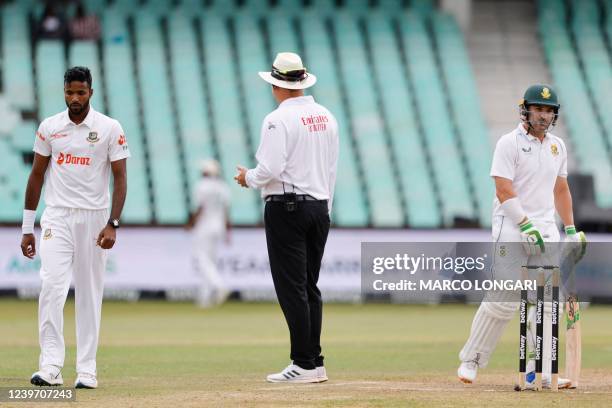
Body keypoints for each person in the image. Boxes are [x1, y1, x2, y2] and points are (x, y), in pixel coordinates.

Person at [456, 84, 586, 389]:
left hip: (545, 227)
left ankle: (538, 368)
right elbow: (503, 189)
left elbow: (561, 190)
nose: (542, 115)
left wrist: (569, 230)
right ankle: (471, 359)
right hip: (512, 225)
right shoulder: (508, 143)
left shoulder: (557, 146)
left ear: (554, 115)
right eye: (537, 109)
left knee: (546, 302)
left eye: (548, 110)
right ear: (525, 110)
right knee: (505, 298)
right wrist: (524, 225)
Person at [21, 66, 130, 389]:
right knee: (52, 287)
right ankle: (51, 366)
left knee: (88, 293)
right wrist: (28, 227)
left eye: (81, 92)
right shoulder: (50, 127)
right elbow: (36, 176)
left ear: (91, 93)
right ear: (64, 91)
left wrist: (113, 223)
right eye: (70, 92)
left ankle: (87, 369)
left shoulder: (109, 128)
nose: (75, 98)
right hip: (57, 216)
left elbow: (120, 177)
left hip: (95, 218)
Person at [234, 52, 338, 383]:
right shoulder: (326, 116)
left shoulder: (277, 119)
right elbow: (331, 168)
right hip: (319, 205)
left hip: (287, 206)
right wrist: (326, 207)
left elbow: (270, 169)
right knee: (309, 287)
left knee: (292, 288)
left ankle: (304, 363)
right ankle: (315, 361)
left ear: (277, 85)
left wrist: (247, 177)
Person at [187, 159, 231, 308]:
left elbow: (200, 207)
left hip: (204, 226)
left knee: (201, 259)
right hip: (219, 227)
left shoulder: (201, 186)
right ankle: (204, 298)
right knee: (210, 261)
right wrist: (227, 232)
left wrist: (191, 223)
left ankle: (219, 286)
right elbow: (226, 211)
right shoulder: (223, 187)